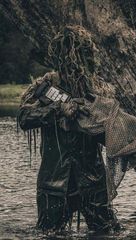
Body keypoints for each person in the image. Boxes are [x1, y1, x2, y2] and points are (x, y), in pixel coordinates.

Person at [18, 26, 120, 233]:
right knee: (49, 234)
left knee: (106, 232)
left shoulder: (99, 91)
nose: (75, 62)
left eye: (80, 54)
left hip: (92, 182)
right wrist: (57, 110)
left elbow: (113, 137)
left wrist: (95, 121)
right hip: (54, 184)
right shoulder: (45, 86)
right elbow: (24, 117)